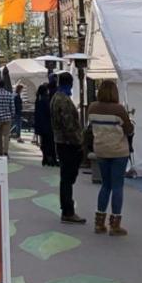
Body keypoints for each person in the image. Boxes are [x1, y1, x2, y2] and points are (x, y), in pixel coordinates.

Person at [86, 79, 136, 236]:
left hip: (101, 149)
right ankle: (115, 224)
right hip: (118, 151)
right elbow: (128, 129)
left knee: (105, 185)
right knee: (117, 186)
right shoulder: (118, 109)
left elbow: (90, 126)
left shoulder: (92, 108)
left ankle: (99, 223)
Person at [51, 71, 86, 225]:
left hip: (60, 141)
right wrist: (79, 142)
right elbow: (69, 125)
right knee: (68, 178)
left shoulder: (55, 98)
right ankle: (68, 211)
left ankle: (66, 208)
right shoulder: (64, 101)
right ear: (70, 83)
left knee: (65, 178)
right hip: (68, 143)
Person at [0, 68, 15, 157]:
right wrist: (12, 114)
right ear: (4, 85)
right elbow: (12, 106)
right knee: (6, 135)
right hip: (7, 117)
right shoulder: (9, 94)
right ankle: (6, 151)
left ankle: (0, 151)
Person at [34, 76, 57, 166]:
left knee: (44, 142)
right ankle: (50, 159)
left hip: (40, 125)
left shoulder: (38, 100)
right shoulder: (45, 100)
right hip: (47, 125)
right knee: (49, 142)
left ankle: (45, 158)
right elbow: (49, 112)